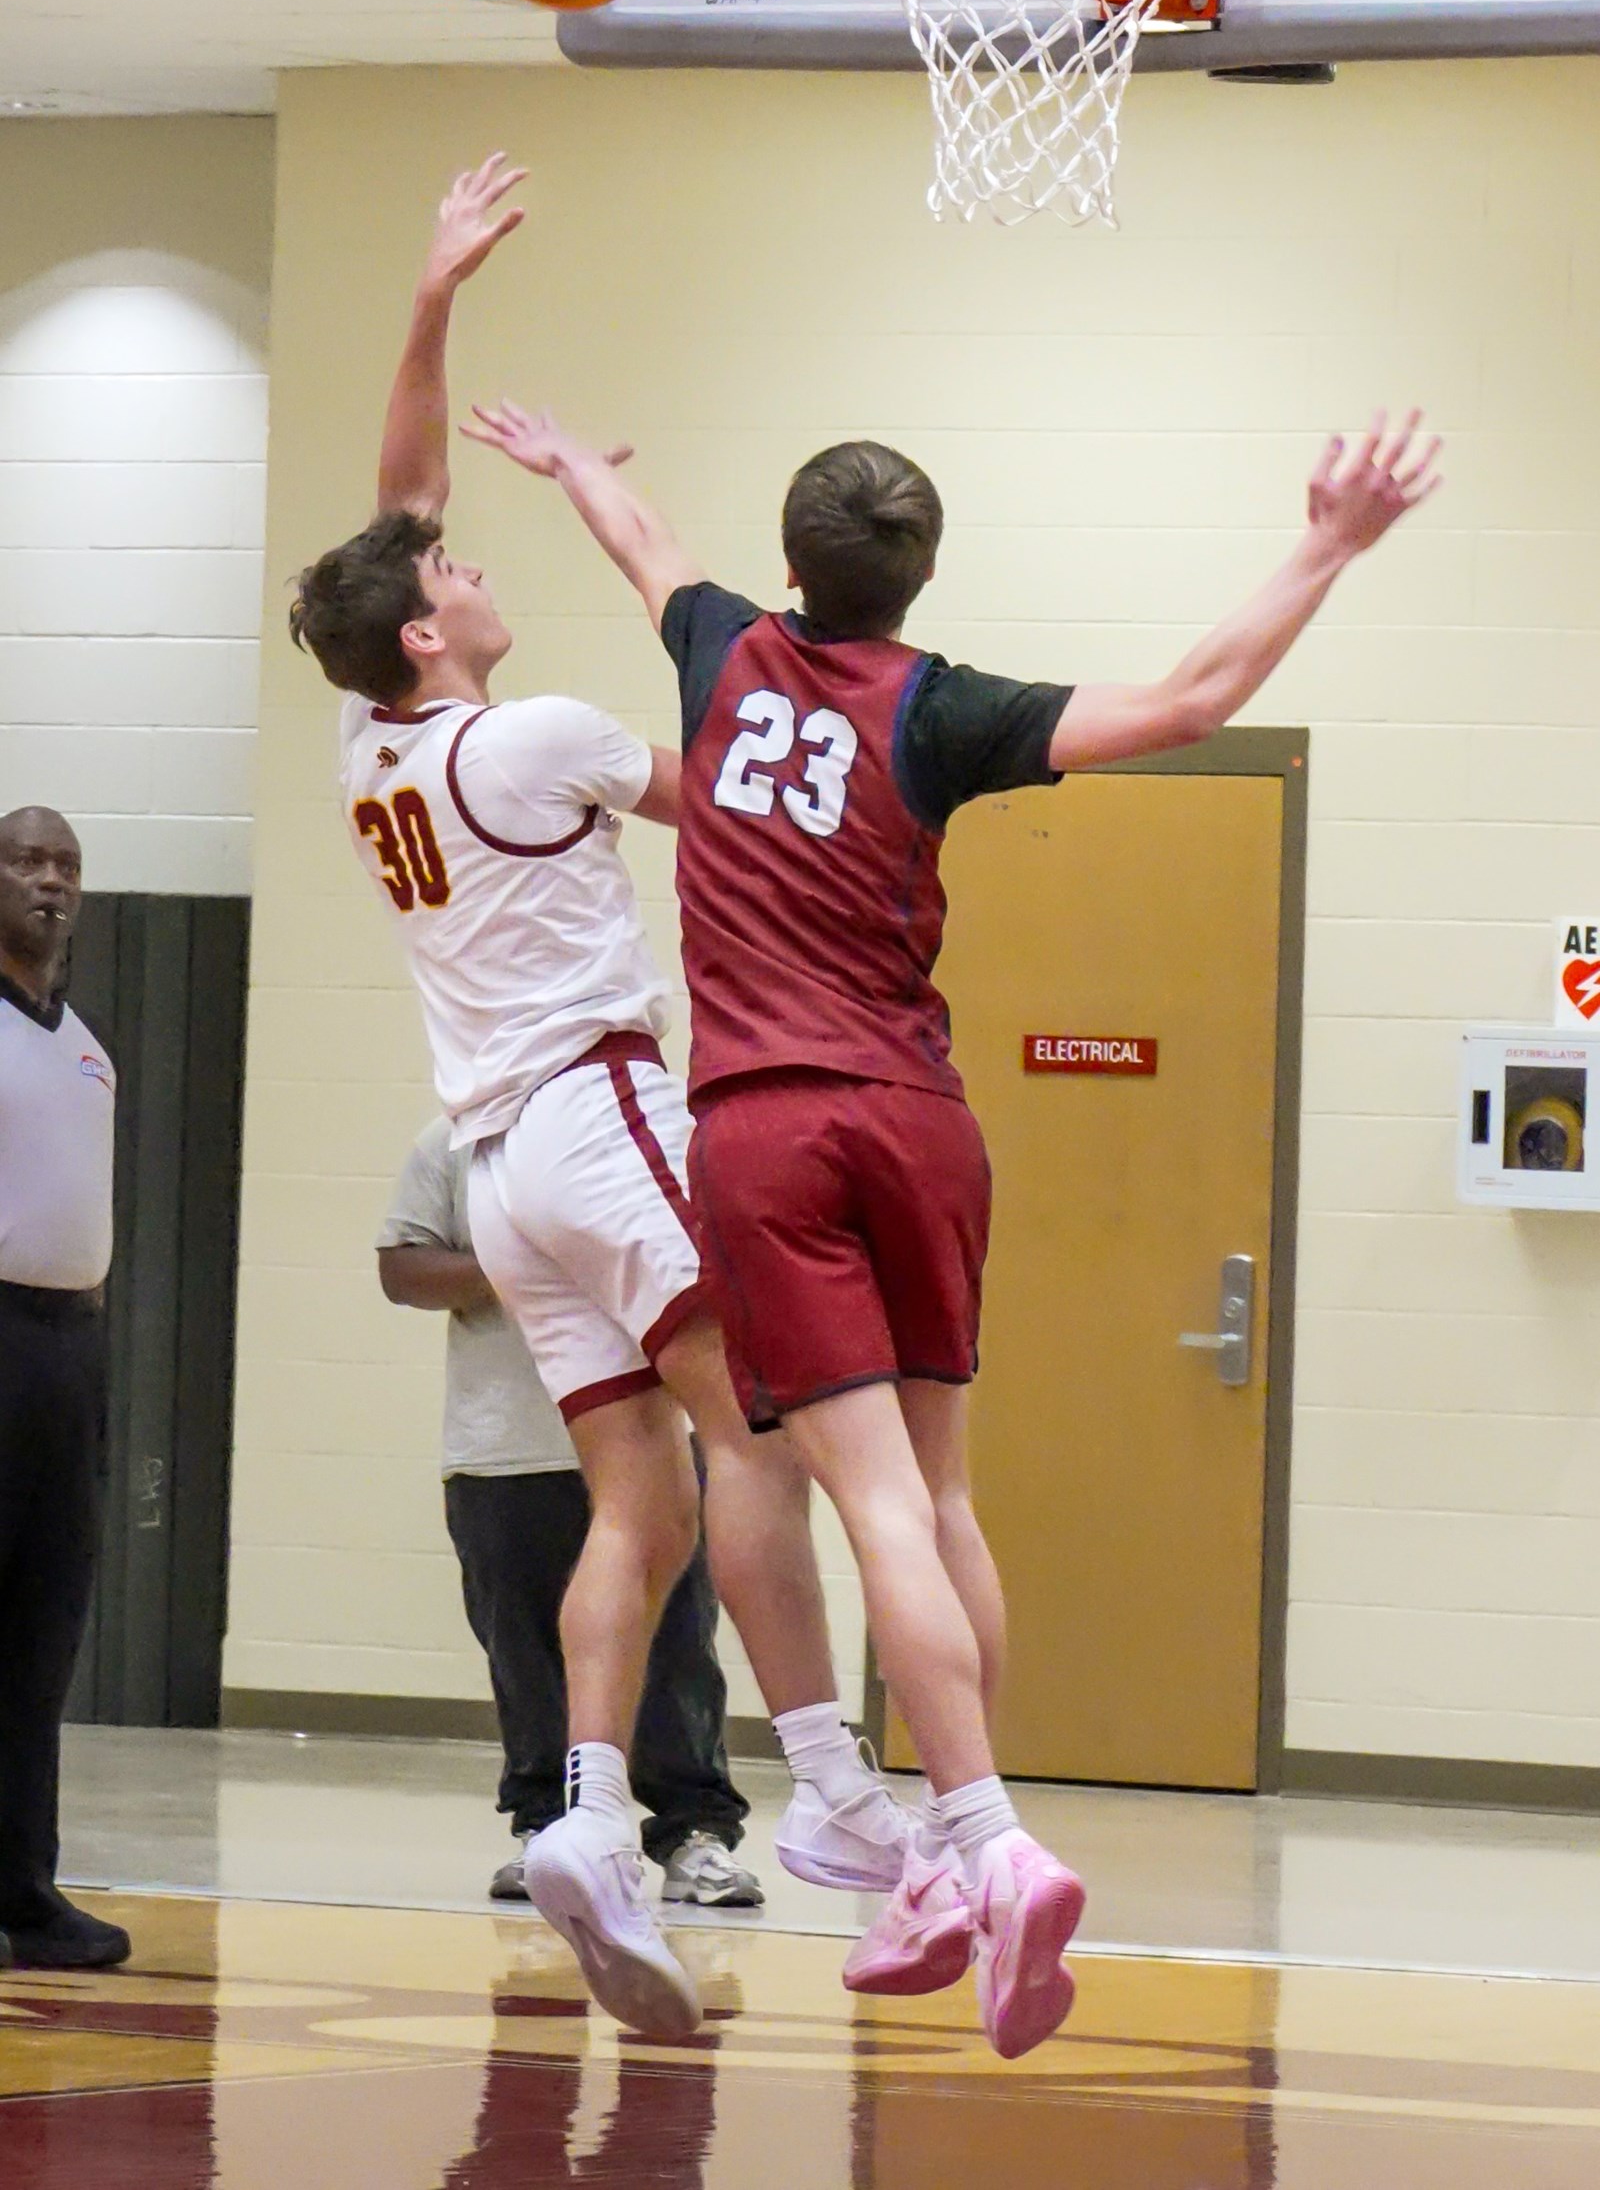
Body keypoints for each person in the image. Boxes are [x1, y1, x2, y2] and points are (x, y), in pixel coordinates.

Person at [463, 395, 1441, 2063]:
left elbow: (647, 547)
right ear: (920, 580)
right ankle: (943, 1843)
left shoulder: (725, 654)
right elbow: (1197, 697)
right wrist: (1329, 544)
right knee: (946, 1495)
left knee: (849, 1501)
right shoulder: (947, 708)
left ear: (794, 564)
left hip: (770, 1124)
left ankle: (974, 1838)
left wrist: (567, 468)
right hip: (924, 1119)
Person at [288, 160, 907, 2042]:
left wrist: (431, 290)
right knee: (765, 1441)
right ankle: (839, 1790)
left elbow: (396, 502)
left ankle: (589, 1811)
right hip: (598, 1112)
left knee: (625, 1491)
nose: (470, 562)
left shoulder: (370, 741)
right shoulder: (537, 733)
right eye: (455, 574)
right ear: (422, 634)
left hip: (497, 1166)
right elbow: (732, 772)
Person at [378, 1113, 761, 1910]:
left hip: (649, 1441)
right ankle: (551, 1827)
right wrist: (518, 1266)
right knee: (523, 1644)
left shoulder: (644, 1133)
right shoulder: (450, 1146)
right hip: (503, 1448)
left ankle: (694, 1833)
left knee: (675, 1643)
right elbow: (401, 1268)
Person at [0, 805, 130, 1974]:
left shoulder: (86, 1044)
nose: (50, 882)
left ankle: (25, 1893)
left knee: (42, 1635)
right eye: (26, 862)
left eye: (66, 866)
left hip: (68, 1351)